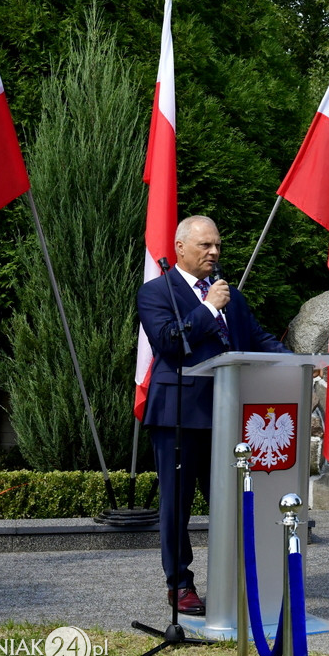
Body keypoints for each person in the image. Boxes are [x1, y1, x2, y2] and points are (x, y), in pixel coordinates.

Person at [137, 215, 290, 615]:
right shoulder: (157, 292)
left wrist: (298, 363)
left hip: (228, 417)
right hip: (179, 416)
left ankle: (238, 577)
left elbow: (257, 339)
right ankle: (180, 584)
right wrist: (207, 308)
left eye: (218, 245)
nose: (214, 252)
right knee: (178, 505)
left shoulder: (230, 296)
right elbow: (171, 343)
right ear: (181, 248)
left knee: (233, 502)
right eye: (205, 245)